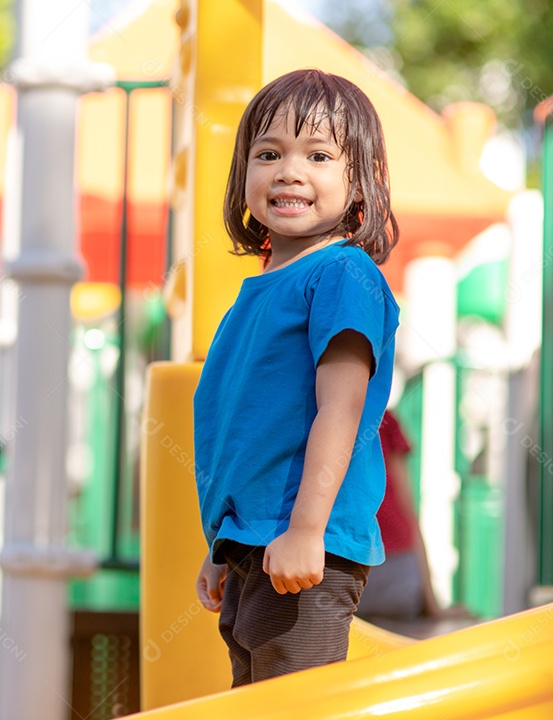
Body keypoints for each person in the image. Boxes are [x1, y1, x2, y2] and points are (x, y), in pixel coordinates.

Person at [192, 68, 400, 685]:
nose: (288, 171)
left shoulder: (341, 276)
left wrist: (307, 529)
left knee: (291, 701)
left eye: (318, 155)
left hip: (308, 542)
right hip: (256, 544)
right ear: (243, 174)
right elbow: (248, 432)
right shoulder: (255, 295)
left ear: (358, 182)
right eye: (268, 154)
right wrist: (224, 543)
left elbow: (341, 409)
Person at [356, 409, 471, 621]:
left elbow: (406, 508)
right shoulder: (382, 419)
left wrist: (432, 604)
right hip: (379, 573)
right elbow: (407, 508)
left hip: (389, 571)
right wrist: (432, 604)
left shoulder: (383, 420)